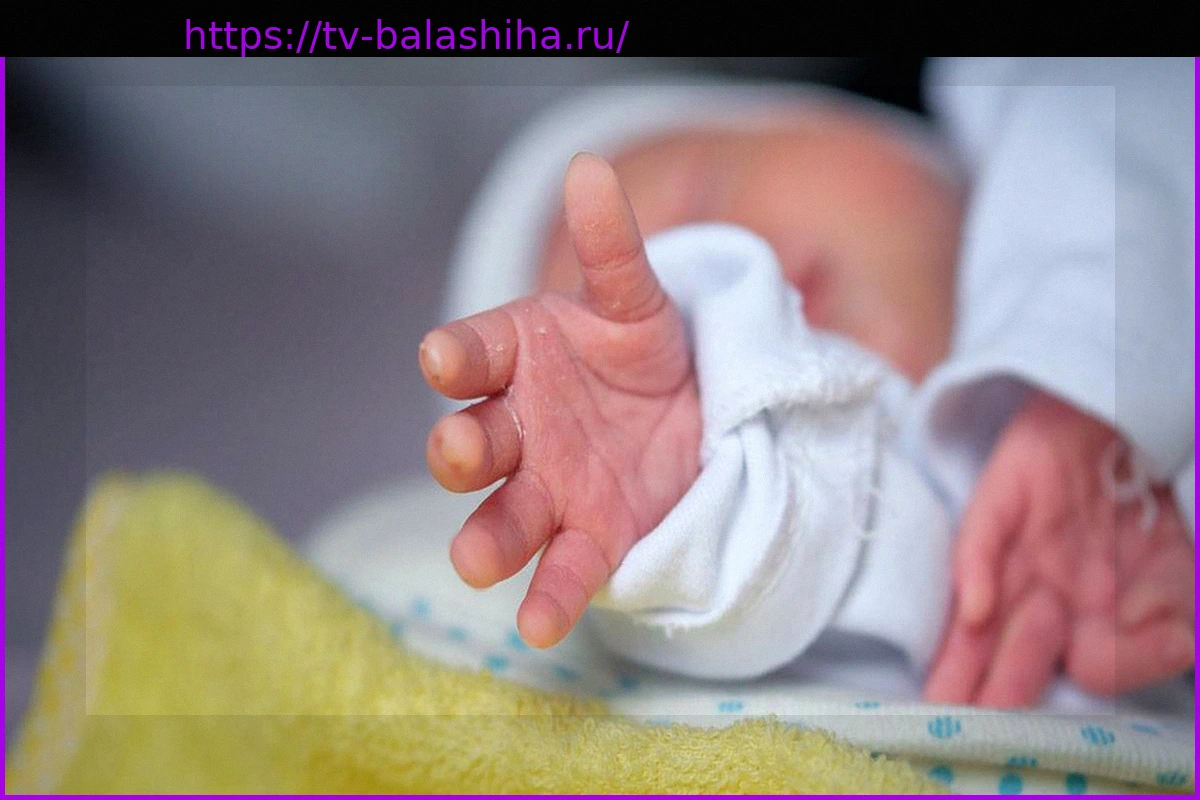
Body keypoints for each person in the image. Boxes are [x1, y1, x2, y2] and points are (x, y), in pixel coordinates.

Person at [418, 58, 1195, 708]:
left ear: (823, 118)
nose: (747, 284)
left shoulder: (1026, 91)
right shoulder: (960, 549)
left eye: (707, 198)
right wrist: (684, 519)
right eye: (695, 326)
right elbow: (806, 547)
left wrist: (1076, 381)